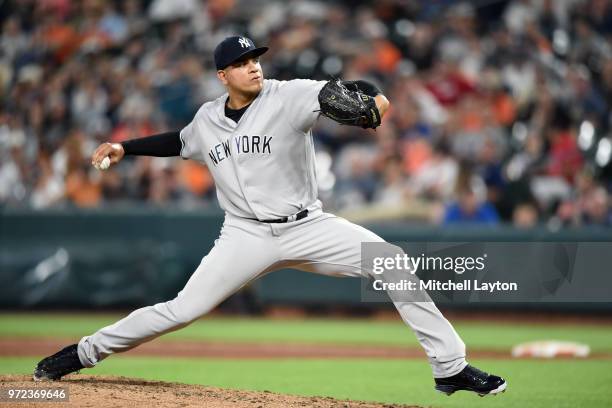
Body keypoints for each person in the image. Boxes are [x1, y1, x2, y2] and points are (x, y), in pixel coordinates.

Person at [33, 36, 506, 397]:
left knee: (392, 261)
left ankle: (449, 368)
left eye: (255, 58)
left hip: (309, 226)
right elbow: (178, 141)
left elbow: (344, 95)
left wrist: (372, 99)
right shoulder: (207, 120)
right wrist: (124, 147)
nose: (252, 66)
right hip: (244, 236)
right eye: (241, 63)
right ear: (223, 75)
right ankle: (81, 353)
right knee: (181, 311)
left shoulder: (290, 95)